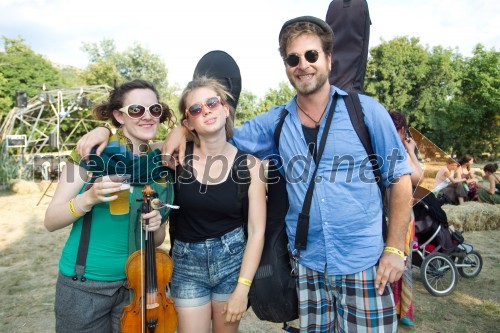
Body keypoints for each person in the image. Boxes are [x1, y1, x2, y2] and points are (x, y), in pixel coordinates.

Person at [78, 16, 413, 332]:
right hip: (309, 267)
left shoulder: (365, 111)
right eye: (292, 59)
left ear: (328, 58)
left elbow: (400, 178)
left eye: (311, 54)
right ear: (286, 67)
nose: (302, 64)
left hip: (364, 264)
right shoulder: (277, 122)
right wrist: (141, 132)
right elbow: (218, 133)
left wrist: (395, 248)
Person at [44, 79, 175, 333]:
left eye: (154, 109)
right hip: (85, 285)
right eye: (136, 110)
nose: (147, 116)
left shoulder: (160, 165)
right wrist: (88, 199)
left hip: (136, 286)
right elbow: (51, 220)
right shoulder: (90, 154)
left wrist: (157, 225)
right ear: (119, 115)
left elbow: (156, 239)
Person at [168, 77, 266, 333]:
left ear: (225, 109)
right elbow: (133, 150)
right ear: (188, 122)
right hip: (186, 264)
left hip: (232, 263)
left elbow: (257, 232)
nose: (207, 110)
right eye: (196, 109)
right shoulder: (175, 159)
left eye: (212, 102)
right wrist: (104, 131)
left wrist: (243, 288)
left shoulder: (252, 166)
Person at [388, 110, 422, 326]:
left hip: (390, 214)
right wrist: (410, 148)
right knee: (401, 261)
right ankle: (401, 309)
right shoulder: (397, 147)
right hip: (400, 216)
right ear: (402, 130)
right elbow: (418, 175)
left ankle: (393, 307)